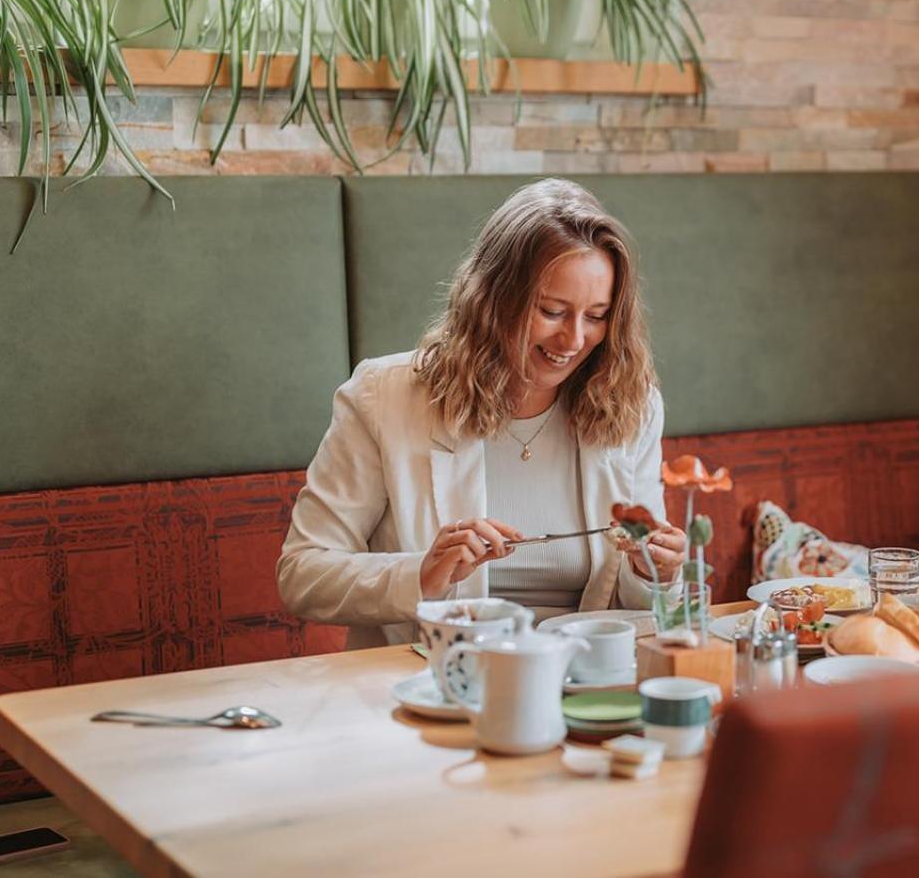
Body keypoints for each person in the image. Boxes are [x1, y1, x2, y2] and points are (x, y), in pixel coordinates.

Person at [278, 179, 685, 649]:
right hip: (431, 678)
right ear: (493, 299)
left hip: (584, 678)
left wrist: (654, 570)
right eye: (551, 311)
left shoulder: (629, 402)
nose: (573, 340)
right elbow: (301, 572)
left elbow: (642, 606)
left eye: (596, 316)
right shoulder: (382, 398)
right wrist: (421, 574)